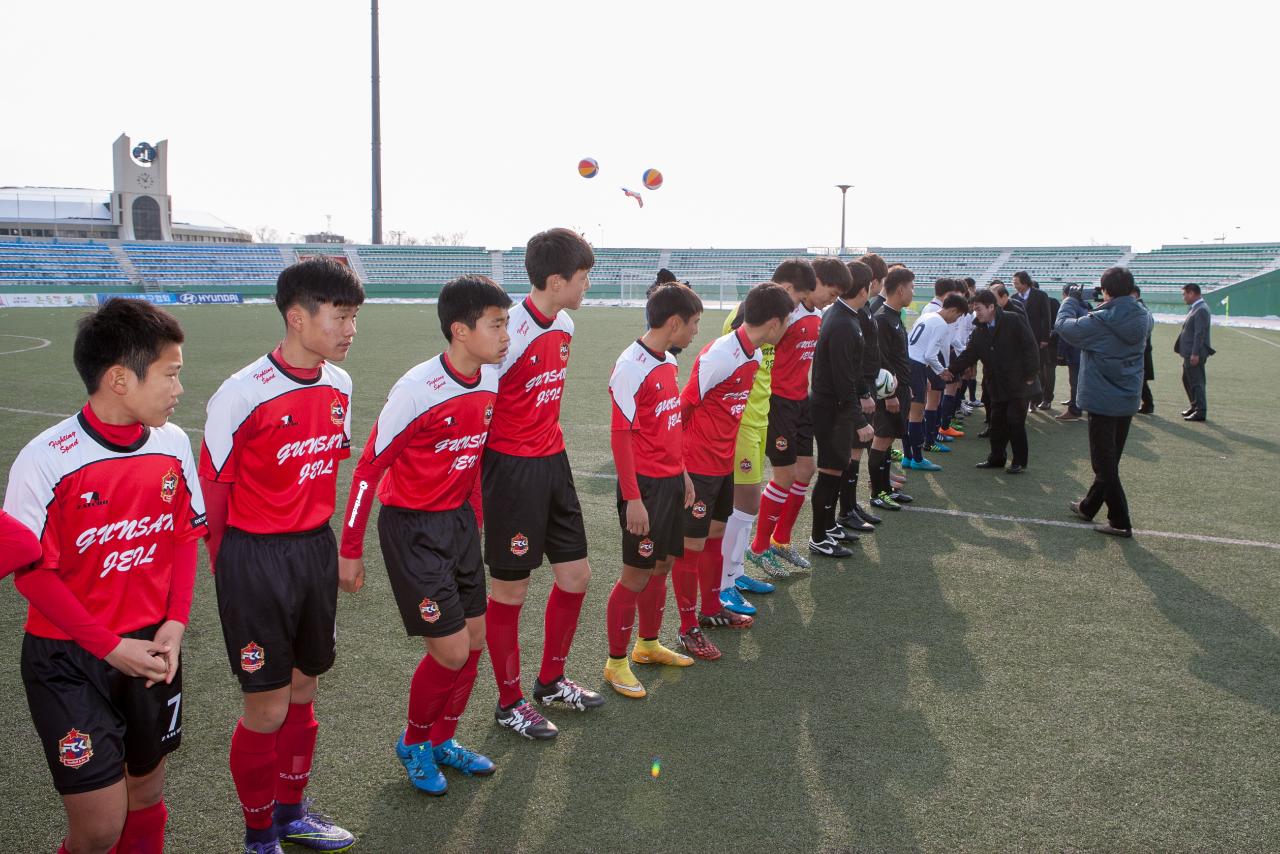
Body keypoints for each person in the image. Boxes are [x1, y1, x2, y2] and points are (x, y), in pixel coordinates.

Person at [5, 299, 205, 854]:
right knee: (98, 828)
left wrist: (176, 622)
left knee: (145, 792)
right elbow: (30, 574)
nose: (178, 389)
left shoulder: (173, 444)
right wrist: (107, 644)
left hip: (151, 649)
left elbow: (186, 536)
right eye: (171, 374)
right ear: (119, 378)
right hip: (69, 658)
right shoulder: (45, 458)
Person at [200, 257, 363, 853]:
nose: (350, 330)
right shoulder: (241, 393)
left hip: (312, 553)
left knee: (303, 688)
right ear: (297, 317)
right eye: (340, 317)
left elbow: (325, 473)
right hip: (254, 559)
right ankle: (257, 834)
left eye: (354, 318)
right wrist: (230, 574)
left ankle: (293, 813)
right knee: (265, 708)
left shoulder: (339, 384)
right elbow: (213, 495)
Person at [339, 275, 511, 793]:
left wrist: (474, 522)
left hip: (457, 522)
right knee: (452, 651)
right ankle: (413, 742)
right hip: (412, 529)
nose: (506, 335)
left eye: (507, 323)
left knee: (476, 639)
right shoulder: (417, 389)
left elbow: (473, 457)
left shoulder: (489, 379)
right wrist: (349, 551)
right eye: (496, 325)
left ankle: (443, 740)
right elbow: (369, 468)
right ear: (460, 330)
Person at [481, 228, 603, 740]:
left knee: (576, 576)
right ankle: (509, 703)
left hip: (554, 463)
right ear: (556, 280)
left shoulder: (567, 323)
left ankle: (550, 680)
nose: (587, 285)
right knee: (511, 589)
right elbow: (480, 403)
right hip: (510, 471)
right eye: (583, 277)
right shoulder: (506, 331)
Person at [669, 284, 792, 661]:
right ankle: (687, 625)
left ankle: (710, 609)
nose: (787, 327)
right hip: (699, 465)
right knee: (690, 547)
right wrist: (681, 465)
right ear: (774, 323)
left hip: (723, 463)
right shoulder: (721, 354)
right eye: (786, 321)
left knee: (716, 535)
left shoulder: (753, 355)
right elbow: (683, 406)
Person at [719, 259, 840, 609]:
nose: (793, 313)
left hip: (760, 416)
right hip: (748, 418)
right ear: (789, 290)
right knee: (740, 505)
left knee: (749, 502)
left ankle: (736, 571)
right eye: (799, 297)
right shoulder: (748, 316)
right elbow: (714, 374)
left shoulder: (777, 317)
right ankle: (725, 582)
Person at [602, 283, 704, 698]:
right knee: (635, 574)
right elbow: (620, 436)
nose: (696, 332)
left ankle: (647, 646)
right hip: (642, 487)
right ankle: (615, 662)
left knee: (661, 566)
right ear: (675, 322)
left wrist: (681, 472)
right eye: (694, 324)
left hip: (668, 482)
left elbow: (667, 426)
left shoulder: (666, 361)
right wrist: (632, 498)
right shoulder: (630, 366)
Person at [748, 259, 844, 577]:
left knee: (806, 469)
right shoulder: (786, 312)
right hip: (778, 402)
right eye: (831, 292)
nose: (833, 299)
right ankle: (759, 547)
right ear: (815, 284)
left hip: (801, 400)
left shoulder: (818, 314)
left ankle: (782, 541)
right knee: (785, 475)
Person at [1055, 266, 1153, 537]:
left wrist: (1070, 301)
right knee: (1111, 460)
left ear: (1106, 290)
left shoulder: (1100, 320)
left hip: (1102, 398)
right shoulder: (1144, 316)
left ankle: (1120, 521)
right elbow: (1125, 312)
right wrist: (1109, 304)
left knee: (1103, 463)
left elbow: (1064, 327)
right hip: (1128, 397)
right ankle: (1089, 506)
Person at [808, 262, 874, 557]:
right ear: (865, 289)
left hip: (834, 404)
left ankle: (829, 525)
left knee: (837, 467)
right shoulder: (844, 322)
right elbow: (843, 378)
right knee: (830, 470)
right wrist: (860, 420)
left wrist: (861, 395)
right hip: (830, 407)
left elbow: (851, 371)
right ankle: (819, 536)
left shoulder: (845, 317)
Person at [943, 289, 1040, 473]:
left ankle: (1019, 461)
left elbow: (1030, 347)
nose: (976, 313)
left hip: (1019, 383)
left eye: (978, 309)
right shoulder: (979, 330)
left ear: (991, 307)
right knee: (996, 424)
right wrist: (950, 370)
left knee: (1015, 422)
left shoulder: (1013, 320)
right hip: (995, 384)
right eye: (974, 309)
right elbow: (969, 354)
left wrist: (1030, 376)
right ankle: (996, 458)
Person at [869, 266, 917, 511]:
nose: (912, 292)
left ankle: (886, 489)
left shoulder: (895, 316)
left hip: (901, 389)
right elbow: (880, 361)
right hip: (889, 393)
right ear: (900, 289)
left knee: (888, 441)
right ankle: (877, 493)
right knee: (882, 438)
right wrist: (889, 394)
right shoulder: (881, 318)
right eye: (911, 288)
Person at [904, 294, 967, 471]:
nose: (956, 320)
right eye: (958, 316)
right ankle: (917, 459)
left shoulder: (926, 316)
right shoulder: (940, 323)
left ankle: (908, 457)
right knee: (915, 416)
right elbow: (930, 354)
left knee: (911, 414)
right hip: (916, 366)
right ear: (953, 310)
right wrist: (942, 371)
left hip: (909, 363)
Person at [1012, 271, 1053, 409]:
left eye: (1016, 283)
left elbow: (1046, 318)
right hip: (1019, 342)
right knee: (1023, 369)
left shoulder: (1040, 295)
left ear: (1025, 282)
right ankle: (1028, 400)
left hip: (1037, 340)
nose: (1015, 286)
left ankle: (1040, 399)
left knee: (1038, 369)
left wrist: (1045, 338)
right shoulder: (1013, 298)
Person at [1175, 283, 1213, 422]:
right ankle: (1195, 406)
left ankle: (1200, 411)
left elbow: (1199, 334)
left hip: (1194, 353)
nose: (1183, 297)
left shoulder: (1201, 309)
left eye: (1184, 294)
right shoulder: (1197, 308)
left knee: (1197, 381)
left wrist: (1195, 353)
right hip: (1189, 352)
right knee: (1187, 379)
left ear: (1192, 293)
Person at [1054, 284, 1089, 422]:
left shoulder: (1072, 308)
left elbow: (1065, 332)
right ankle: (1076, 403)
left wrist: (1060, 353)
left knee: (1075, 381)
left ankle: (1075, 410)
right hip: (1083, 351)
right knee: (1077, 381)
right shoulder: (1086, 306)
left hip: (1075, 351)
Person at [1133, 286, 1155, 414]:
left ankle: (1148, 404)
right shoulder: (1141, 307)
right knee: (1140, 379)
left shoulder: (1140, 308)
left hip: (1142, 350)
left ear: (1135, 294)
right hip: (1143, 349)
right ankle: (1147, 404)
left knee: (1141, 380)